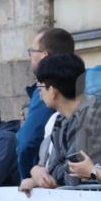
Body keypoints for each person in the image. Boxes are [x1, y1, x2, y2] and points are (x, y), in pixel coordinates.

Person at [23, 53, 101, 191]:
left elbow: (73, 173)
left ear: (53, 91)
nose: (39, 93)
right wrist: (37, 170)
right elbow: (54, 165)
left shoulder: (92, 117)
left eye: (40, 87)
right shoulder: (61, 118)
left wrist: (42, 175)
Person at [16, 27, 75, 180]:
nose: (30, 57)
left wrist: (30, 176)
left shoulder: (48, 88)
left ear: (44, 56)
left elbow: (26, 142)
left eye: (32, 51)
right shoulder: (79, 80)